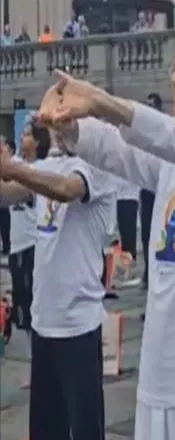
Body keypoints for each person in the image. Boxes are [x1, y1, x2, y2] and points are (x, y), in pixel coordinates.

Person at [36, 23, 175, 440]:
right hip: (159, 379)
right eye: (173, 67)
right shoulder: (168, 163)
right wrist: (68, 123)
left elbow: (169, 136)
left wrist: (101, 101)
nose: (174, 78)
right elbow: (119, 150)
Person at [0, 127, 114, 440]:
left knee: (85, 428)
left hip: (78, 323)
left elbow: (66, 189)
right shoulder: (46, 166)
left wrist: (13, 167)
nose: (59, 127)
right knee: (47, 428)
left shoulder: (96, 168)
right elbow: (9, 192)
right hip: (44, 320)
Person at [3, 122, 51, 346]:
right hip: (16, 244)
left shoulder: (41, 170)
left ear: (39, 141)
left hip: (33, 243)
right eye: (21, 135)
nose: (22, 139)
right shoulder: (17, 166)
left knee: (33, 300)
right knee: (21, 300)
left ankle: (37, 347)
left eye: (27, 135)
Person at [139, 92, 163, 291]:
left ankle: (158, 270)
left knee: (160, 233)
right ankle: (148, 270)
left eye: (151, 105)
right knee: (146, 232)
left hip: (161, 188)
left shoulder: (163, 130)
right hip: (146, 187)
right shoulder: (142, 132)